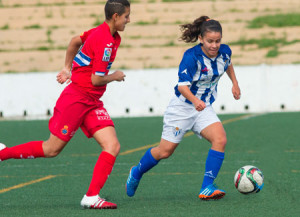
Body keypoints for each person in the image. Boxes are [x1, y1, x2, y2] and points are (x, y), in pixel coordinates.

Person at [0, 0, 130, 209]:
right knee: (51, 149)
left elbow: (74, 41)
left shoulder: (104, 33)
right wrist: (115, 76)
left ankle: (91, 196)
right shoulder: (105, 40)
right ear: (115, 17)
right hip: (76, 99)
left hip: (92, 101)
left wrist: (67, 67)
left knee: (112, 146)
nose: (128, 20)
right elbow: (97, 79)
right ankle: (2, 154)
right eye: (126, 16)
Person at [126, 15, 241, 200]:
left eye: (218, 41)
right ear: (201, 39)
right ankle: (137, 171)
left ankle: (207, 187)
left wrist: (234, 83)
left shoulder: (225, 52)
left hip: (203, 108)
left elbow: (228, 64)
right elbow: (182, 86)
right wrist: (195, 101)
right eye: (210, 41)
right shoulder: (191, 56)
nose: (214, 45)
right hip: (182, 108)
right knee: (165, 151)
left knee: (220, 139)